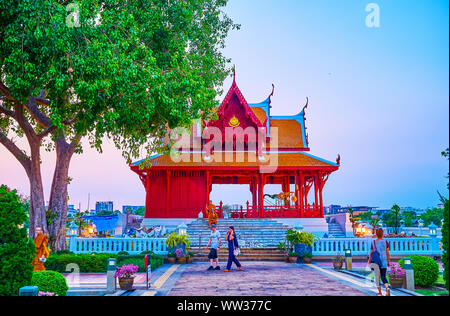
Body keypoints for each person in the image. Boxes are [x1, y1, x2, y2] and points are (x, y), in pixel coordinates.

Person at [368, 228, 391, 296]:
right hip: (384, 261)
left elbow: (371, 253)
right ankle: (387, 288)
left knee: (377, 277)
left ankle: (380, 293)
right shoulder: (386, 242)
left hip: (376, 262)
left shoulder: (373, 242)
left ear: (376, 234)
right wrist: (388, 260)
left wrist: (369, 261)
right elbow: (387, 252)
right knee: (383, 276)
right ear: (382, 234)